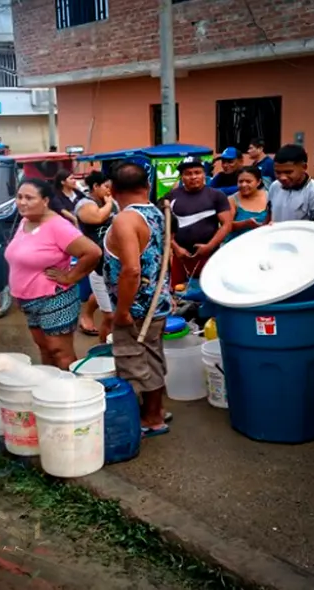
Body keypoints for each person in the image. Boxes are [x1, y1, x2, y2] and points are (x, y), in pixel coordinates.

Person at [102, 162, 173, 437]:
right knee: (152, 358)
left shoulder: (125, 220)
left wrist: (121, 312)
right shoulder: (156, 213)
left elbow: (132, 269)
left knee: (135, 363)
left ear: (112, 188)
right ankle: (155, 410)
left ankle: (151, 418)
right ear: (146, 186)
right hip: (156, 304)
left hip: (137, 310)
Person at [4, 179, 101, 369]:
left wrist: (70, 277)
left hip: (55, 297)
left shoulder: (58, 226)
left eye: (29, 198)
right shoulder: (26, 221)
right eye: (19, 197)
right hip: (29, 300)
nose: (22, 202)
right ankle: (50, 390)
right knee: (44, 349)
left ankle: (70, 394)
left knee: (59, 351)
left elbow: (93, 252)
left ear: (45, 201)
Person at [166, 157, 233, 288]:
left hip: (209, 257)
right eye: (188, 174)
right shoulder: (171, 196)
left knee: (210, 290)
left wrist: (209, 246)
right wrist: (176, 248)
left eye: (197, 172)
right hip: (180, 258)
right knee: (177, 292)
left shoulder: (216, 196)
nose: (193, 177)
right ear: (181, 177)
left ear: (204, 174)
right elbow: (164, 227)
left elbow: (227, 224)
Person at [76, 171, 119, 342]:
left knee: (110, 304)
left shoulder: (112, 203)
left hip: (115, 263)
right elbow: (97, 217)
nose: (109, 191)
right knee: (110, 317)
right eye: (106, 187)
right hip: (98, 265)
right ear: (95, 187)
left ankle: (87, 314)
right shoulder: (85, 204)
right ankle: (104, 348)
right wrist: (109, 203)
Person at [269, 144, 314, 222]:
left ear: (304, 167)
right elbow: (270, 213)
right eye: (278, 172)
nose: (282, 177)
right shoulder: (275, 186)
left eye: (288, 172)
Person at [225, 166, 270, 242]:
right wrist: (245, 223)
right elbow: (226, 226)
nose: (243, 185)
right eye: (240, 181)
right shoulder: (232, 200)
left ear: (258, 182)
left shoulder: (269, 197)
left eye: (248, 181)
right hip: (237, 244)